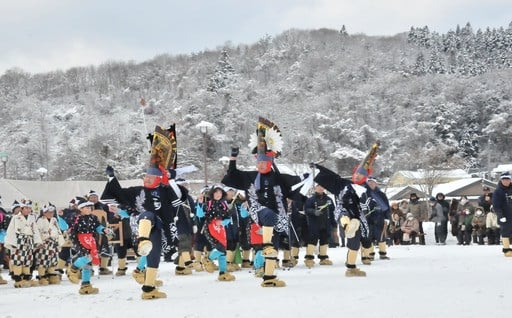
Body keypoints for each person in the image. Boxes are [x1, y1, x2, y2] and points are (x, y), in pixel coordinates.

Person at [221, 119, 306, 287]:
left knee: (273, 245)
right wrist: (233, 158)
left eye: (264, 162)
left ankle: (268, 277)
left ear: (270, 162)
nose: (260, 165)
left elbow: (296, 188)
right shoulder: (250, 177)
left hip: (278, 216)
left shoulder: (280, 178)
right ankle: (266, 244)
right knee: (267, 215)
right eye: (258, 162)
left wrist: (306, 180)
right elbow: (232, 176)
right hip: (258, 211)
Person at [66, 197, 114, 295]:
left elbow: (98, 226)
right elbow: (71, 230)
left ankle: (85, 285)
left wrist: (104, 230)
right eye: (86, 208)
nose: (89, 209)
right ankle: (73, 269)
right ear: (80, 209)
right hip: (80, 240)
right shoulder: (76, 218)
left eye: (90, 207)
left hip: (91, 240)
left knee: (88, 264)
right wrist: (74, 239)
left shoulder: (93, 217)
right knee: (87, 257)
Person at [4, 200, 42, 287]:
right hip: (18, 241)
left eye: (29, 208)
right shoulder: (15, 218)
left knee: (28, 259)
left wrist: (37, 241)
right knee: (18, 259)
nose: (28, 210)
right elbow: (10, 230)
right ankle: (18, 279)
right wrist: (11, 242)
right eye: (26, 208)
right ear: (21, 208)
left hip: (29, 241)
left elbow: (35, 230)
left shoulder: (32, 218)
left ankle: (26, 279)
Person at [202, 185, 236, 281]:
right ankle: (208, 259)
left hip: (221, 229)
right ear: (212, 194)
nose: (218, 194)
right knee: (220, 248)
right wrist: (200, 205)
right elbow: (200, 215)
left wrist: (222, 222)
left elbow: (228, 218)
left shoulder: (224, 204)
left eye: (220, 192)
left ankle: (223, 272)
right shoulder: (207, 204)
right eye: (216, 192)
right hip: (210, 228)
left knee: (223, 251)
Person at [303, 184, 336, 268]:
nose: (321, 188)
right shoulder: (310, 199)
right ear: (315, 188)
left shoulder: (329, 199)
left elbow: (332, 212)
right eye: (318, 187)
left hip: (326, 223)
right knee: (312, 241)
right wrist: (314, 212)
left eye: (322, 186)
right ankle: (309, 258)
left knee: (324, 240)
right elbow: (306, 210)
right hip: (314, 224)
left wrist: (333, 223)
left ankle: (323, 258)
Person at [33, 204, 63, 285]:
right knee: (43, 260)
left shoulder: (54, 220)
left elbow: (59, 231)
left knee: (53, 259)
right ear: (44, 213)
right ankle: (42, 276)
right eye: (48, 212)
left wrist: (60, 242)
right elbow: (37, 232)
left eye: (52, 212)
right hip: (44, 243)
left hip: (54, 243)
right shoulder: (40, 220)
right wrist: (38, 242)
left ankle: (51, 275)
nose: (50, 214)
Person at [363, 176, 391, 261]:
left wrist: (387, 217)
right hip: (368, 218)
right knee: (369, 237)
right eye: (369, 182)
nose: (371, 184)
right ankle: (370, 254)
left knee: (381, 236)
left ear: (376, 184)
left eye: (373, 182)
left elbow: (386, 207)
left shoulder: (381, 194)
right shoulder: (364, 193)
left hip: (380, 218)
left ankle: (383, 253)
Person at [492, 172, 512, 257]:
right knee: (505, 232)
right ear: (501, 180)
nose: (506, 181)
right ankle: (507, 250)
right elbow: (496, 205)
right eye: (504, 179)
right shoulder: (498, 191)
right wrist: (501, 216)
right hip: (505, 216)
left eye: (507, 179)